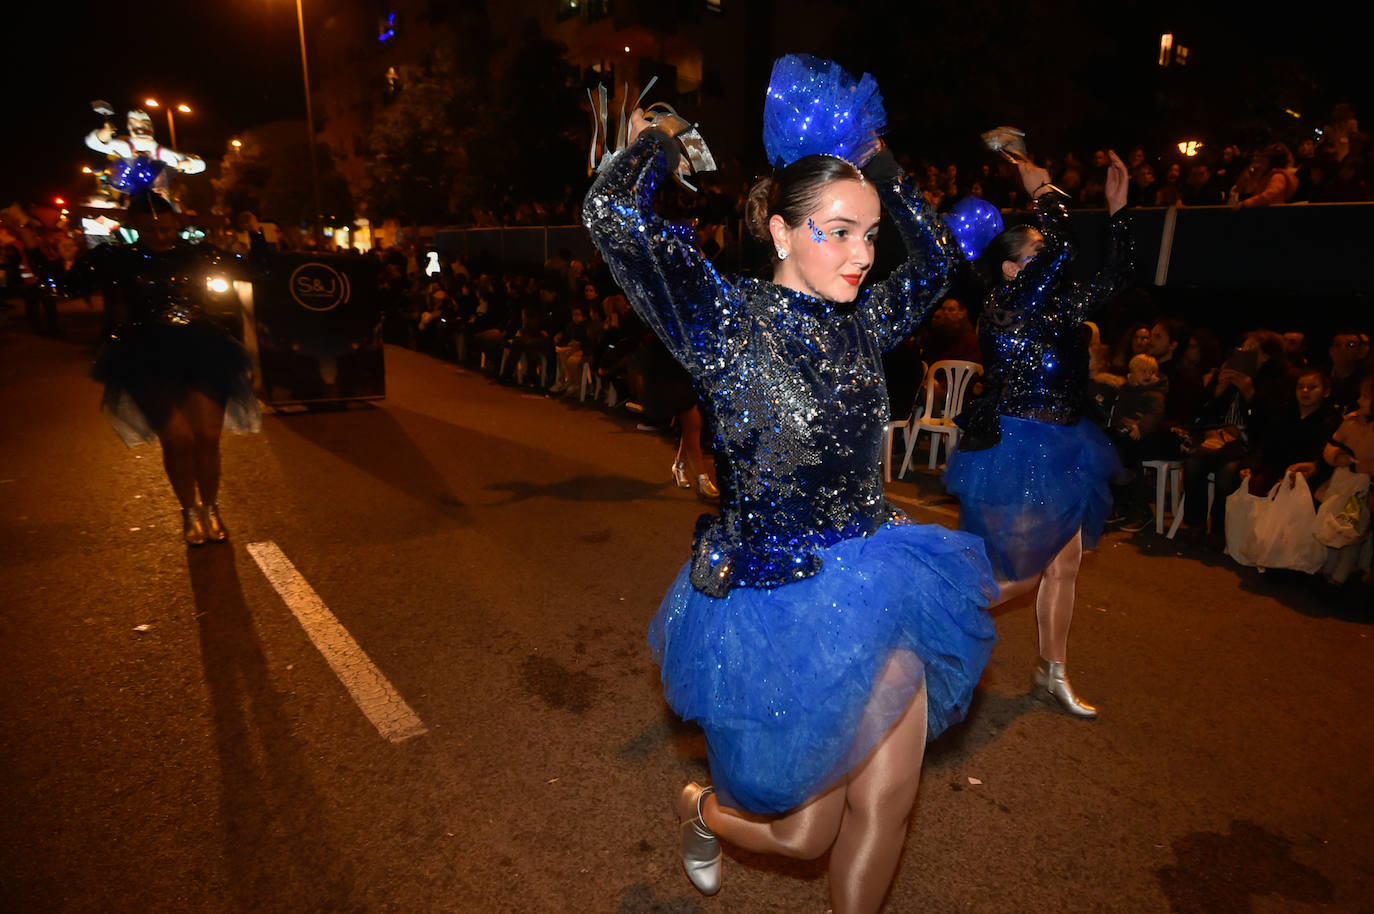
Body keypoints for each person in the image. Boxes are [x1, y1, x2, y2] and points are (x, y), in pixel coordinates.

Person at [583, 55, 995, 913]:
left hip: (884, 583)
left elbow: (937, 262)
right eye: (835, 232)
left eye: (869, 234)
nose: (860, 255)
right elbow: (608, 214)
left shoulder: (866, 320)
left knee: (887, 805)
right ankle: (701, 808)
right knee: (804, 834)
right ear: (779, 231)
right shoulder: (724, 320)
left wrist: (878, 166)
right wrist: (656, 141)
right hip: (777, 598)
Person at [943, 147, 1133, 719]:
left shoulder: (1057, 309)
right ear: (1008, 266)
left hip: (1068, 443)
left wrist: (1120, 212)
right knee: (1019, 574)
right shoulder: (1005, 305)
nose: (1048, 260)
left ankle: (1052, 670)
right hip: (1021, 446)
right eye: (1034, 255)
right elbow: (1064, 247)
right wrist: (1043, 195)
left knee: (1066, 564)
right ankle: (926, 626)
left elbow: (1119, 274)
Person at [81, 190, 260, 545]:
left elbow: (257, 270)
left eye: (166, 228)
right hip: (145, 353)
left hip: (203, 348)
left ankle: (211, 508)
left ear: (178, 223)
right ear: (134, 227)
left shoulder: (198, 253)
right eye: (150, 231)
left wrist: (255, 231)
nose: (161, 236)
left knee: (208, 437)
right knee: (179, 438)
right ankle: (189, 512)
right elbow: (63, 285)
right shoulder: (118, 258)